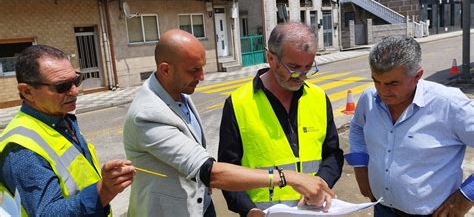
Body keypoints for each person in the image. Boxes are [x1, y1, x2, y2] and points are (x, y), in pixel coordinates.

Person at [124, 29, 333, 217]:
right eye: (193, 70)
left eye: (202, 68)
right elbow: (209, 171)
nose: (202, 77)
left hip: (200, 208)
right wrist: (286, 178)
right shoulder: (148, 114)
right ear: (166, 70)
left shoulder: (179, 94)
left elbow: (332, 153)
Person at [218, 22, 344, 216]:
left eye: (308, 67)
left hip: (313, 211)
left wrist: (320, 184)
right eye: (293, 67)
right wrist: (249, 210)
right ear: (270, 58)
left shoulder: (319, 98)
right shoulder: (238, 103)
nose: (301, 75)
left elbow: (333, 154)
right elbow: (228, 171)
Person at [345, 36, 474, 216]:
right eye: (376, 81)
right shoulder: (369, 99)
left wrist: (465, 197)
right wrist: (360, 166)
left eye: (392, 84)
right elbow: (358, 127)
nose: (382, 91)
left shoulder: (449, 105)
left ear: (418, 76)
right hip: (382, 209)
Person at [0, 45, 135, 216]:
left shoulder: (60, 118)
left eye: (76, 81)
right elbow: (48, 213)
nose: (75, 91)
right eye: (62, 86)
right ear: (27, 92)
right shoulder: (21, 148)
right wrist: (103, 191)